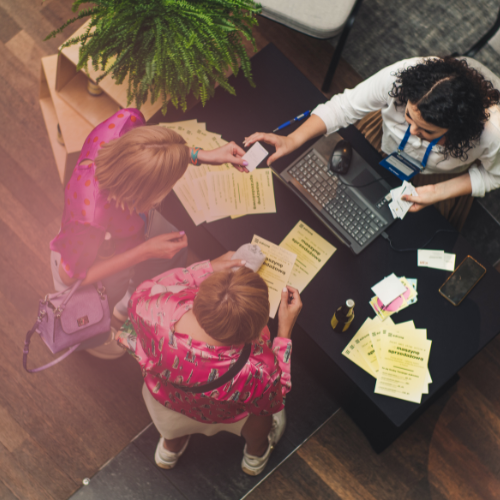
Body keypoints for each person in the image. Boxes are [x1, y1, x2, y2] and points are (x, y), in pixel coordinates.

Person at [49, 108, 249, 357]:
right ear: (142, 193)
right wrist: (143, 252)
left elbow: (151, 151)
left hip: (124, 236)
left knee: (172, 248)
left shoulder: (126, 122)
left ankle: (123, 311)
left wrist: (200, 155)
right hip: (94, 262)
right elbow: (68, 277)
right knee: (106, 301)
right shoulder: (90, 219)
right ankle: (97, 334)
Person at [245, 56, 500, 229]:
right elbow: (343, 107)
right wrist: (293, 139)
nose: (411, 131)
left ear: (458, 128)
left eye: (426, 131)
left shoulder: (492, 132)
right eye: (408, 116)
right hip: (379, 139)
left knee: (416, 228)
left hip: (438, 178)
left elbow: (494, 176)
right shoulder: (400, 78)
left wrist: (436, 193)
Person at [116, 252, 302, 475]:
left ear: (198, 297)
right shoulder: (255, 368)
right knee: (261, 419)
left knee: (169, 427)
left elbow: (153, 285)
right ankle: (255, 456)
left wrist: (207, 268)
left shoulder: (151, 310)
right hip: (227, 414)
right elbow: (275, 396)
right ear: (255, 331)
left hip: (166, 400)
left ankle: (170, 448)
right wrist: (284, 331)